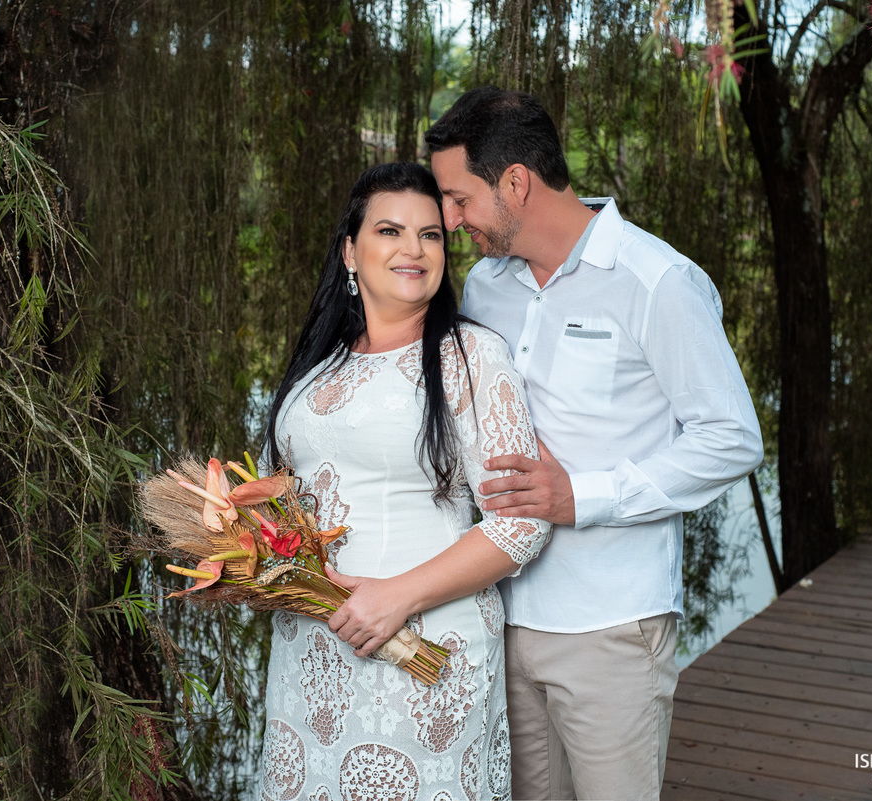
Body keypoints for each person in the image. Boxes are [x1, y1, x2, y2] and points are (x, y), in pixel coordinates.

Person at [425, 87, 765, 801]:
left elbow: (731, 438)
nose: (450, 222)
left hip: (611, 627)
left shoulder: (656, 281)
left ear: (515, 181)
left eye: (459, 200)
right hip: (500, 615)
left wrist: (582, 495)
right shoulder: (487, 287)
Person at [259, 161, 551, 801]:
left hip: (423, 648)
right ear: (350, 252)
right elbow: (277, 493)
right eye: (390, 231)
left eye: (431, 235)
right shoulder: (317, 366)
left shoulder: (473, 358)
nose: (414, 250)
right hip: (311, 651)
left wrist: (398, 597)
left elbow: (521, 524)